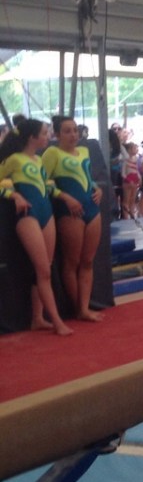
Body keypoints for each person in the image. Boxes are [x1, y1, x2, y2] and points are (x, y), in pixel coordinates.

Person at [0, 118, 72, 335]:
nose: (47, 136)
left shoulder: (39, 160)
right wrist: (14, 196)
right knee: (43, 270)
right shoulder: (14, 160)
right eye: (43, 133)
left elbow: (47, 186)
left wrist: (66, 197)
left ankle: (38, 318)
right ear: (32, 137)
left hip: (46, 213)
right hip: (28, 216)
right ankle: (57, 321)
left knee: (45, 269)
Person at [40, 116, 105, 322]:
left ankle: (85, 307)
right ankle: (79, 308)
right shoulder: (52, 153)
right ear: (57, 134)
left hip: (92, 209)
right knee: (72, 262)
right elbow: (43, 181)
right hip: (70, 212)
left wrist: (98, 188)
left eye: (75, 130)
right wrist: (65, 197)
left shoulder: (84, 151)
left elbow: (87, 177)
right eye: (67, 131)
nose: (73, 135)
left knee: (88, 261)